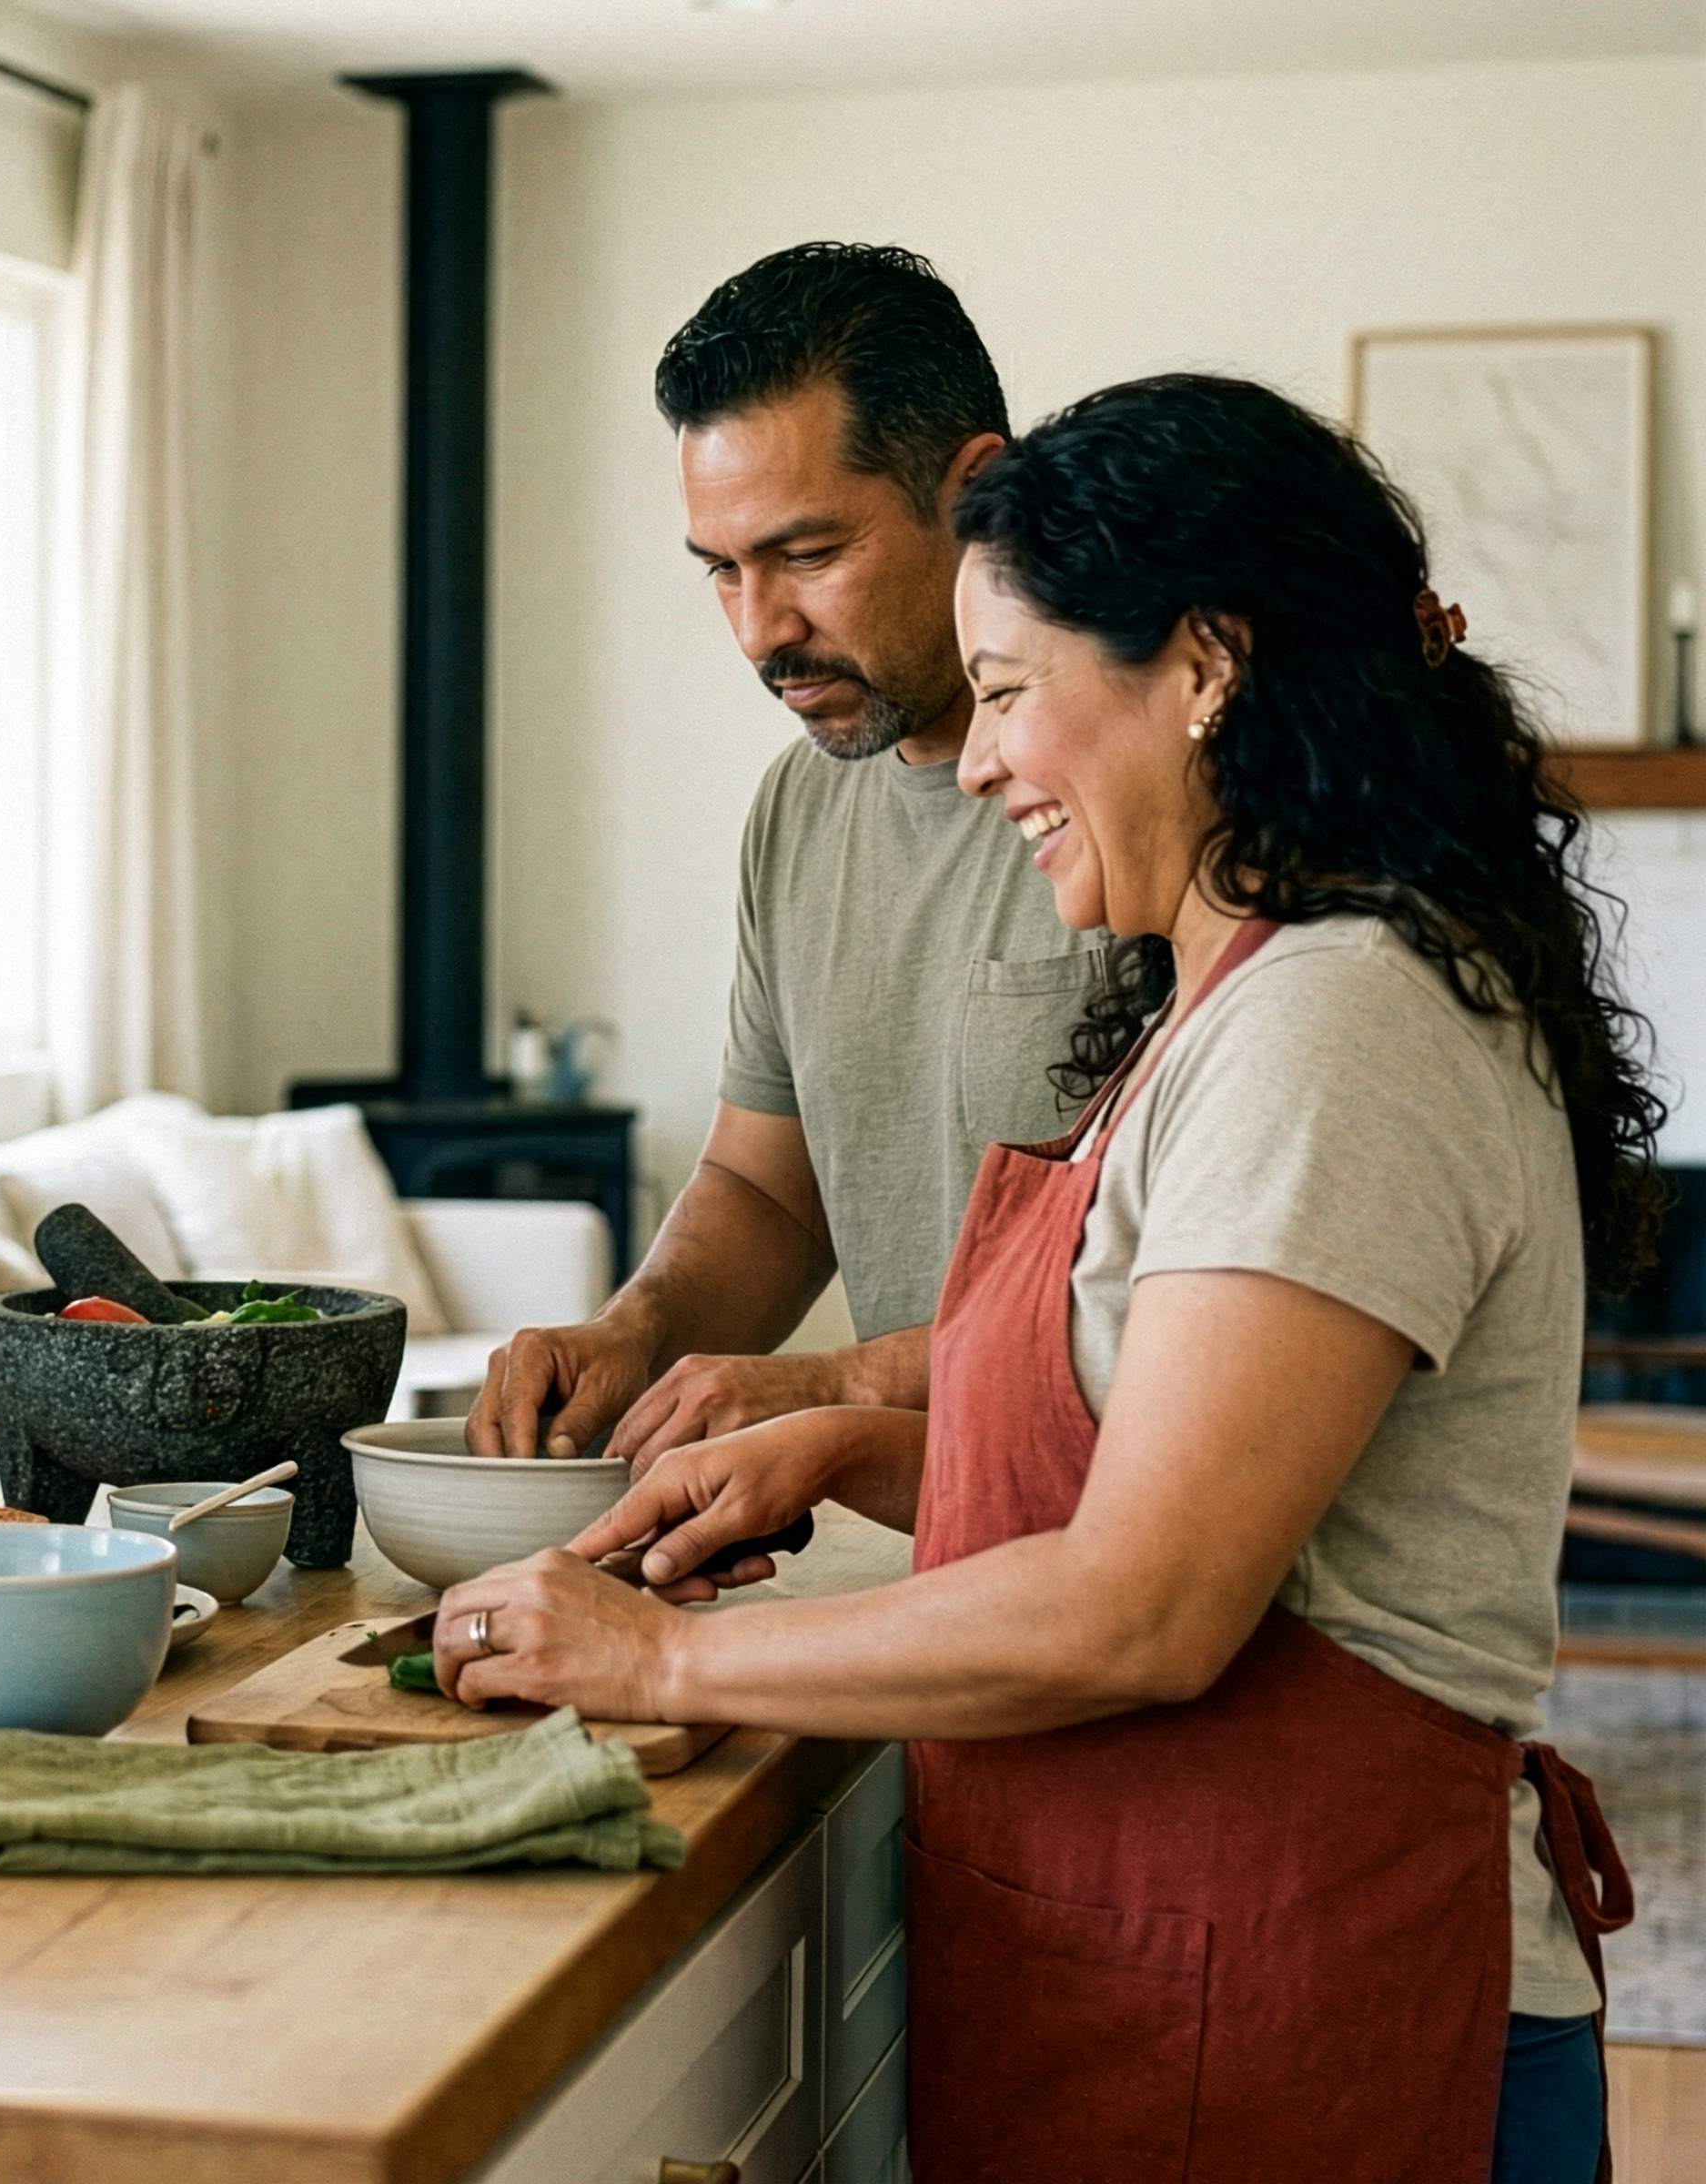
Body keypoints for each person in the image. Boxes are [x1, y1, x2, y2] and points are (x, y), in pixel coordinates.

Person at [429, 375, 1648, 2180]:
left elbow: (1150, 1604)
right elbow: (1198, 1479)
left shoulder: (1337, 1029)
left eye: (1009, 693)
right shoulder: (1229, 1003)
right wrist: (849, 1452)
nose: (982, 759)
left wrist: (670, 1658)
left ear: (1206, 666)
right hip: (1177, 1984)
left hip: (1322, 2011)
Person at [474, 243, 1098, 1481]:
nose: (761, 629)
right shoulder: (801, 806)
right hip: (958, 1545)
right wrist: (633, 1334)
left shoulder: (1138, 797)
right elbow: (775, 1187)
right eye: (722, 571)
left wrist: (829, 1386)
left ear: (979, 495)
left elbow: (1165, 1296)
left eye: (809, 556)